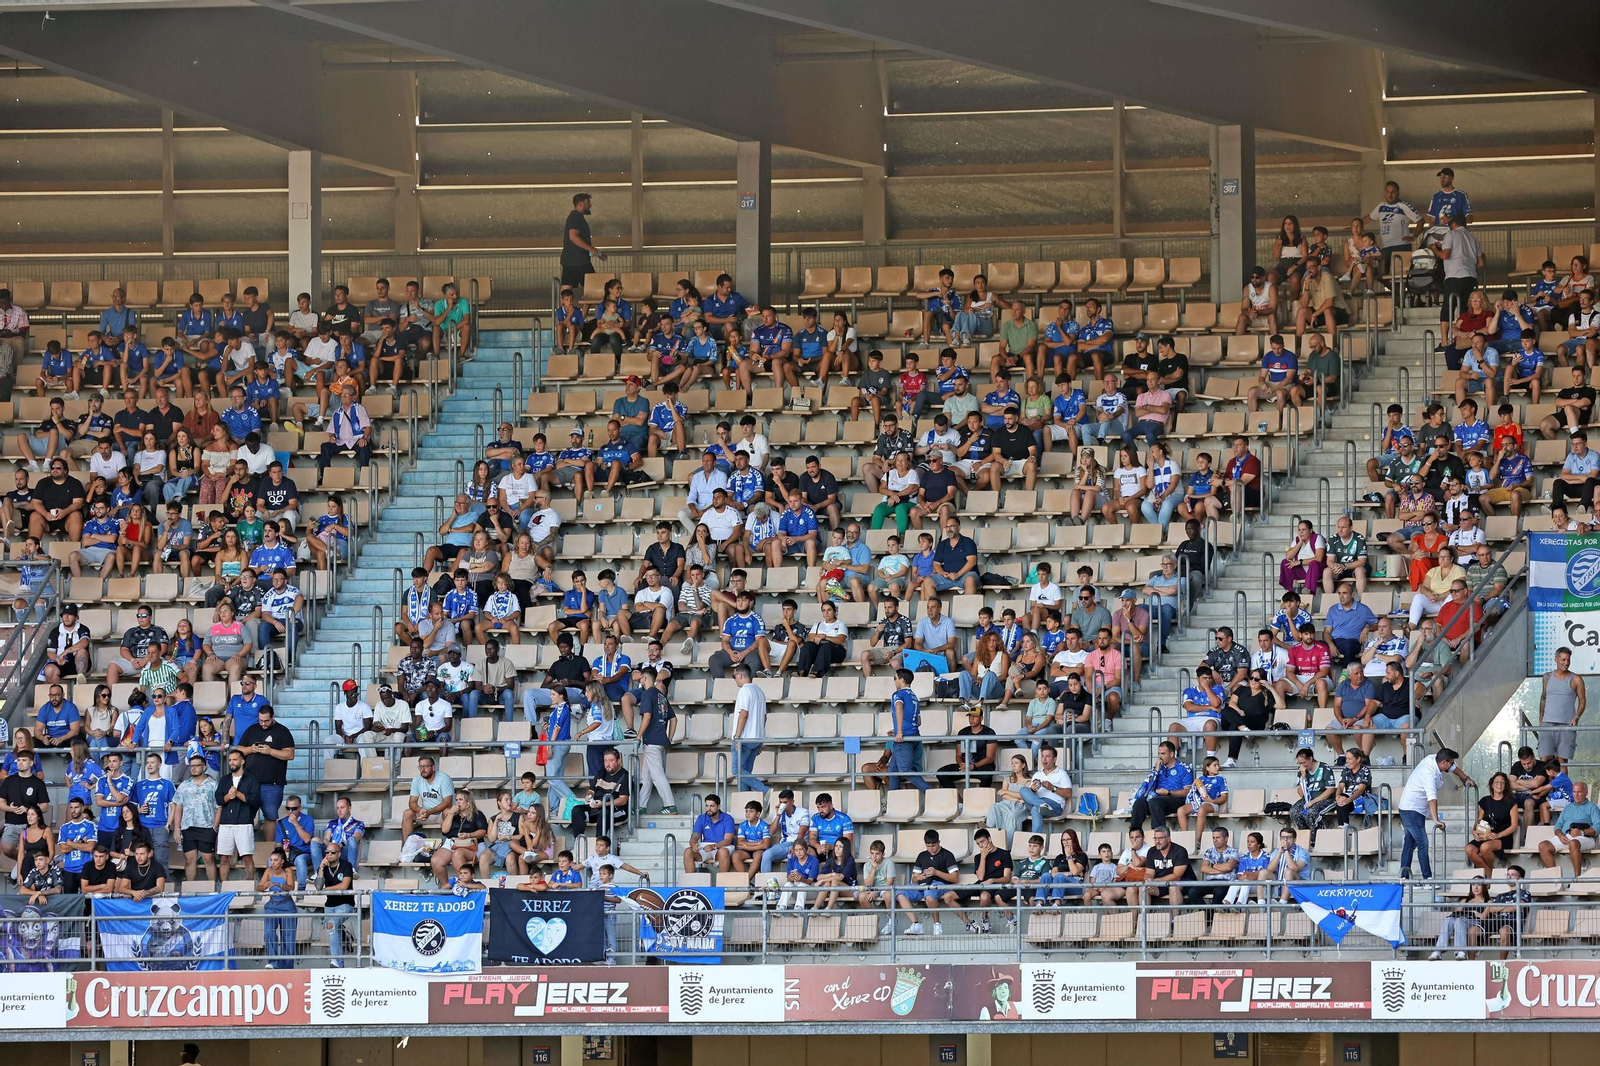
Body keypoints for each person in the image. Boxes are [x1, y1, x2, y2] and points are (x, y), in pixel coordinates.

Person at [1398, 747, 1473, 880]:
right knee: (1423, 843)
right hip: (1411, 810)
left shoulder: (1435, 759)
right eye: (1451, 762)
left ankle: (1403, 878)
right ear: (1444, 762)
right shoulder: (1430, 773)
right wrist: (1436, 820)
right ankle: (1427, 878)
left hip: (1416, 809)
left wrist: (1465, 778)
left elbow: (1454, 768)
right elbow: (1432, 799)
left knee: (1410, 843)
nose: (1452, 765)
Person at [895, 829, 961, 936]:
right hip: (922, 885)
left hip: (939, 884)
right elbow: (914, 879)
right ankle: (916, 924)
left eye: (933, 846)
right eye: (928, 846)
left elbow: (955, 878)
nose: (930, 849)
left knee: (929, 895)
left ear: (939, 842)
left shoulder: (947, 855)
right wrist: (919, 877)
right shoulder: (922, 856)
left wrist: (936, 872)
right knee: (900, 893)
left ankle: (937, 925)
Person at [1537, 780, 1600, 873]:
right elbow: (1558, 826)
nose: (1576, 795)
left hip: (1586, 837)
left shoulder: (1592, 807)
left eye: (1579, 792)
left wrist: (1582, 832)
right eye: (1574, 792)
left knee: (1573, 843)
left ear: (1586, 793)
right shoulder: (1567, 808)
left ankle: (1577, 878)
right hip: (1566, 836)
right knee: (1543, 846)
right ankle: (1554, 878)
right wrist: (1560, 835)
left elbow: (1598, 827)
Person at [1539, 646, 1585, 769]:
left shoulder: (1576, 679)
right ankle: (1546, 783)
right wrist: (1541, 718)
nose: (1566, 663)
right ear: (1556, 659)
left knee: (1562, 761)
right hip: (1547, 723)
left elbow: (1582, 700)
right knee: (1544, 759)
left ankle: (1562, 783)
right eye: (1563, 660)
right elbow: (1543, 698)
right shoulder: (1547, 677)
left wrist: (1576, 717)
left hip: (1566, 724)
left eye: (1568, 660)